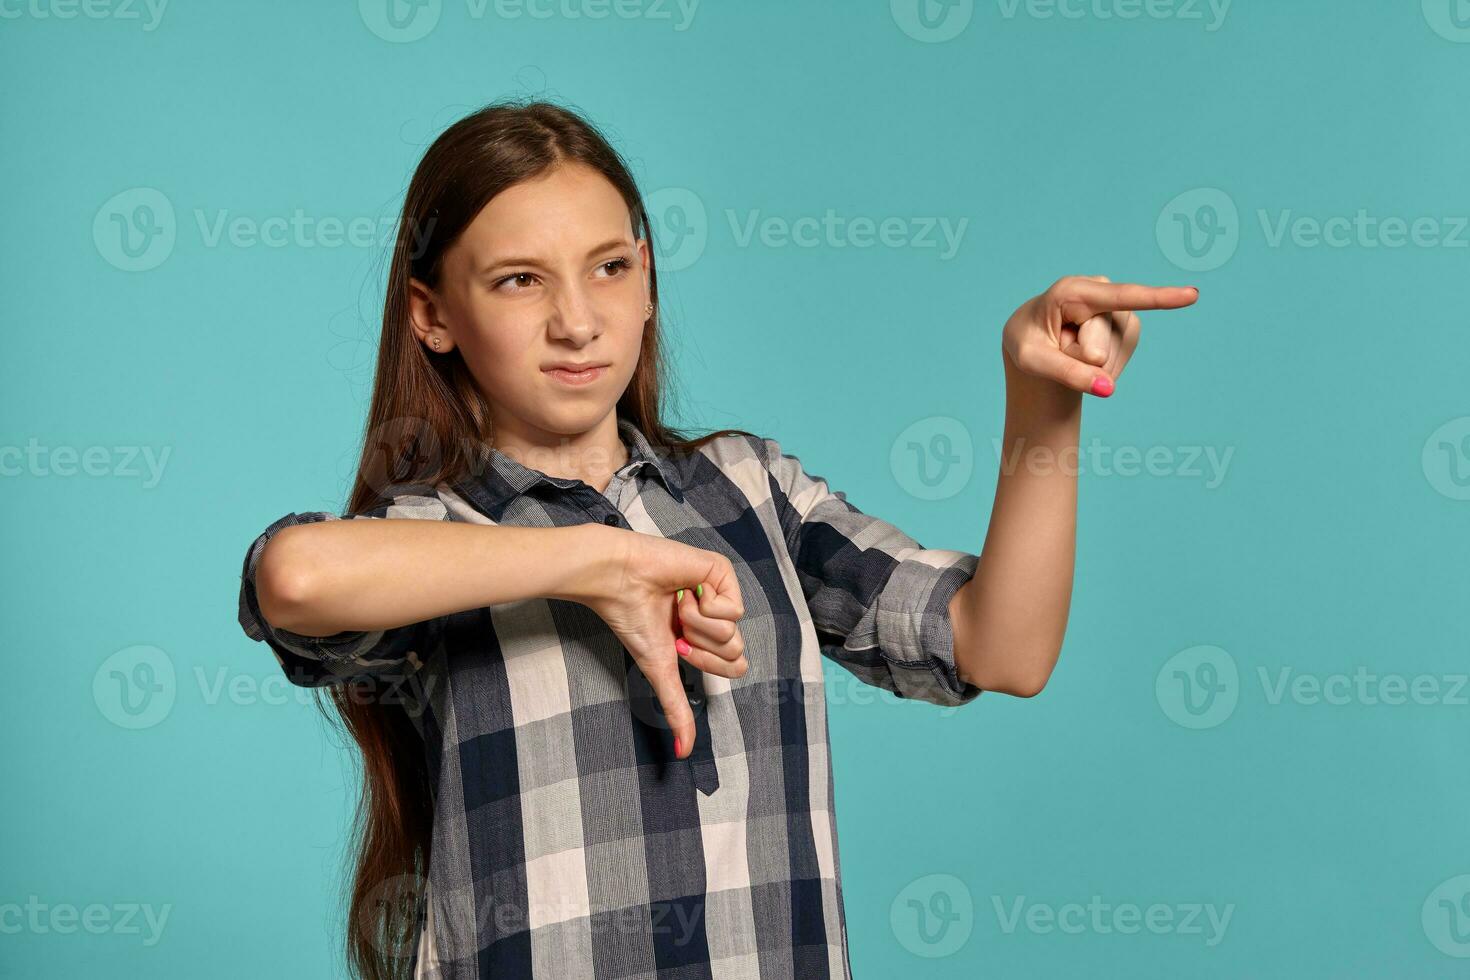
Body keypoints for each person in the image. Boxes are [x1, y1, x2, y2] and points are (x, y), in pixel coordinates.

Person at [234, 99, 1198, 980]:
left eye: (609, 267)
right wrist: (596, 564)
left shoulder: (748, 491)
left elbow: (1002, 646)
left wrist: (1046, 405)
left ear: (648, 279)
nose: (578, 322)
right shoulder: (439, 540)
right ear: (433, 315)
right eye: (520, 280)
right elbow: (294, 573)